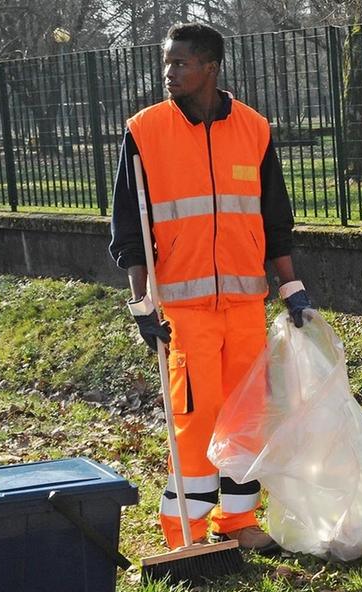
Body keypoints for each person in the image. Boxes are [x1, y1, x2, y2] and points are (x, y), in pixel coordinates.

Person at [108, 22, 312, 553]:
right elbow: (129, 229)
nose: (169, 73)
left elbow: (274, 218)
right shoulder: (145, 131)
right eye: (166, 63)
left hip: (245, 303)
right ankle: (186, 534)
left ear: (210, 67)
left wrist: (291, 289)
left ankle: (237, 521)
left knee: (244, 417)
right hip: (183, 307)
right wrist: (141, 301)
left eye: (180, 63)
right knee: (196, 420)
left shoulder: (253, 128)